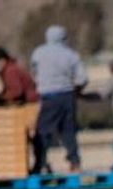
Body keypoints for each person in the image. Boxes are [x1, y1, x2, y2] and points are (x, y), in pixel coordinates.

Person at [29, 25, 87, 174]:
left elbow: (34, 74)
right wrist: (76, 91)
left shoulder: (38, 53)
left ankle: (39, 163)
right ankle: (75, 163)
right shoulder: (71, 55)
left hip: (49, 97)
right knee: (69, 132)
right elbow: (82, 79)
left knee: (43, 132)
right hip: (67, 96)